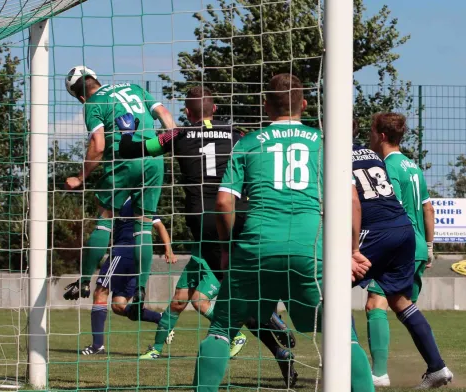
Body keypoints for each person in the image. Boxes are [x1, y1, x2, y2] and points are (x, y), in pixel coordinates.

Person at [191, 74, 373, 392]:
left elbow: (223, 202)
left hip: (255, 248)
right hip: (309, 249)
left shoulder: (247, 143)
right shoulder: (324, 143)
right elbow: (352, 200)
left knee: (221, 328)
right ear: (304, 104)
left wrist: (227, 248)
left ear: (265, 105)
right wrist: (351, 250)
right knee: (341, 332)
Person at [118, 86, 295, 366]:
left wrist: (127, 131)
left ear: (187, 113)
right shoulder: (236, 135)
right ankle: (274, 331)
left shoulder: (178, 134)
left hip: (206, 221)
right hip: (244, 214)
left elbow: (132, 149)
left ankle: (267, 322)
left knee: (233, 290)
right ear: (214, 110)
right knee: (247, 278)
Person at [63, 66, 177, 320]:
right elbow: (165, 114)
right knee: (144, 224)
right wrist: (170, 142)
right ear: (96, 78)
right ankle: (141, 288)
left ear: (81, 96)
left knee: (105, 217)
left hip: (124, 160)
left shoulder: (93, 104)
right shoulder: (135, 88)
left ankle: (83, 280)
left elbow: (98, 145)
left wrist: (80, 177)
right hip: (154, 158)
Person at [352, 113, 452, 389]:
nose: (370, 137)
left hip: (384, 234)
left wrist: (354, 244)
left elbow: (377, 202)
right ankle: (437, 366)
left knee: (353, 296)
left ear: (381, 135)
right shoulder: (412, 166)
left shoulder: (389, 164)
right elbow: (428, 208)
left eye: (372, 132)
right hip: (412, 239)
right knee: (399, 302)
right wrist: (430, 246)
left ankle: (372, 372)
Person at [76, 198, 177, 355]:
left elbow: (158, 225)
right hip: (139, 258)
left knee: (100, 293)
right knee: (118, 305)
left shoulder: (128, 200)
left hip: (123, 253)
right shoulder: (141, 200)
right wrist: (168, 249)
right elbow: (159, 225)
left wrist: (168, 249)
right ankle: (161, 319)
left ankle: (97, 346)